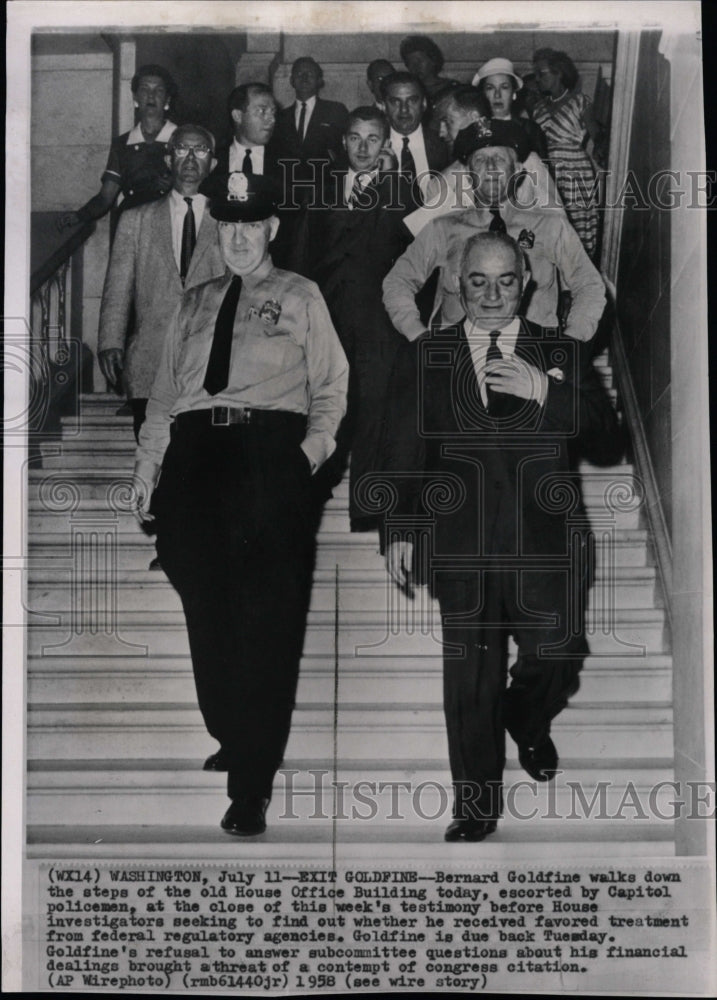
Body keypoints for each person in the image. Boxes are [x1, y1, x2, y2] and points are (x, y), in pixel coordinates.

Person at [132, 173, 348, 837]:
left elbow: (331, 385)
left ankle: (248, 785)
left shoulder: (300, 294)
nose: (238, 238)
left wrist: (307, 455)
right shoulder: (193, 301)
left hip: (267, 454)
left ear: (271, 228)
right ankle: (233, 724)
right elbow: (166, 393)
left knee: (267, 619)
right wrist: (148, 464)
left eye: (250, 225)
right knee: (204, 597)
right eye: (227, 225)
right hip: (195, 458)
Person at [383, 231, 617, 841]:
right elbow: (402, 450)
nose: (491, 295)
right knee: (470, 679)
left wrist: (543, 390)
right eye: (478, 282)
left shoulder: (559, 350)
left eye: (505, 281)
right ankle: (475, 806)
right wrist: (401, 527)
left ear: (527, 283)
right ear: (458, 285)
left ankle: (525, 720)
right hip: (461, 542)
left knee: (558, 655)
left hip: (546, 543)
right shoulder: (425, 354)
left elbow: (606, 437)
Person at [297, 106, 417, 530]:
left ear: (386, 143)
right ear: (343, 141)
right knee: (324, 406)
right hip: (326, 316)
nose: (362, 148)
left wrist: (389, 183)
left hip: (379, 318)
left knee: (374, 408)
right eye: (354, 138)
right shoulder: (321, 186)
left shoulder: (403, 190)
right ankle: (309, 492)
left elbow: (413, 253)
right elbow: (302, 253)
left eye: (372, 139)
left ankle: (367, 508)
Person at [383, 118, 604, 344]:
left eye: (498, 159)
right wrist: (418, 335)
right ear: (468, 174)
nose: (490, 168)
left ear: (518, 170)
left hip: (531, 356)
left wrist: (571, 341)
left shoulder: (551, 227)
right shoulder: (442, 228)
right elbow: (397, 282)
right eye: (480, 160)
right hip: (458, 359)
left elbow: (589, 285)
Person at [98, 124, 224, 443]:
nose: (191, 158)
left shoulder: (229, 222)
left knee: (202, 464)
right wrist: (110, 341)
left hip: (209, 366)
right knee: (152, 462)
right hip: (149, 362)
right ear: (168, 159)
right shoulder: (136, 219)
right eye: (181, 149)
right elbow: (118, 288)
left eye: (201, 151)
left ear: (214, 164)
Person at [406, 85, 561, 237]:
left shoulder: (528, 163)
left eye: (447, 121)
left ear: (474, 118)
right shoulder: (440, 183)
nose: (441, 132)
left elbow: (559, 228)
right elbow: (428, 244)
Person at [58, 65, 178, 231]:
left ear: (167, 99)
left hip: (170, 224)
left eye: (158, 90)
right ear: (135, 98)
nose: (151, 95)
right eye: (144, 89)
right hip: (129, 225)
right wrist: (80, 216)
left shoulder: (181, 138)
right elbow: (106, 197)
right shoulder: (122, 145)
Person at [532, 48, 602, 259]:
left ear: (559, 73)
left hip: (575, 171)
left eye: (541, 73)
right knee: (550, 223)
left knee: (576, 225)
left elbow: (598, 135)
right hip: (547, 172)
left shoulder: (580, 101)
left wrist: (601, 149)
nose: (537, 79)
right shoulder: (538, 108)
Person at [270, 57, 349, 197]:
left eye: (310, 74)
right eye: (299, 74)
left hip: (325, 193)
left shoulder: (335, 110)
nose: (305, 78)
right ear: (292, 81)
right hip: (288, 195)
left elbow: (344, 153)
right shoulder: (280, 117)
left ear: (319, 81)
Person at [380, 71, 450, 204]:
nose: (404, 110)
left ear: (423, 104)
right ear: (384, 106)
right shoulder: (373, 147)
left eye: (412, 100)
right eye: (395, 102)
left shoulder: (443, 145)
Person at [473, 57, 548, 160]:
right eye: (490, 88)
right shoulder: (474, 129)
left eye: (504, 87)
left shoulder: (530, 130)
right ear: (483, 94)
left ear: (513, 93)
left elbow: (543, 171)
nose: (497, 95)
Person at [210, 83, 280, 179]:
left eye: (273, 112)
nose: (272, 119)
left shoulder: (286, 161)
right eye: (262, 111)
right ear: (237, 116)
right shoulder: (213, 160)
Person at [399, 34, 460, 106]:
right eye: (410, 63)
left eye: (419, 61)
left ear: (433, 60)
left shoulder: (451, 87)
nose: (415, 66)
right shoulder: (407, 89)